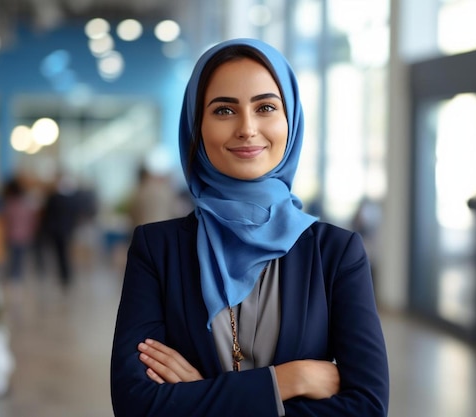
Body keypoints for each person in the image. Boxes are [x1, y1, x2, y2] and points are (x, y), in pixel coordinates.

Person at [110, 38, 389, 417]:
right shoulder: (157, 249)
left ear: (290, 120)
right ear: (196, 126)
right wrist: (289, 381)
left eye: (266, 108)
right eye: (224, 110)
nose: (247, 128)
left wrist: (201, 395)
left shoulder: (335, 253)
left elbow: (367, 407)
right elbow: (135, 404)